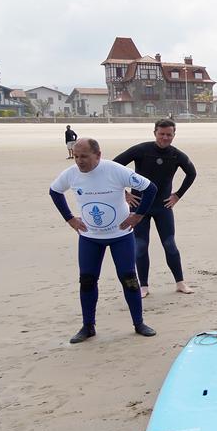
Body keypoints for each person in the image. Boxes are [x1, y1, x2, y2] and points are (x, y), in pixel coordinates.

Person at [49, 138, 159, 343]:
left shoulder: (115, 170)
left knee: (129, 279)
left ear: (98, 155)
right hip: (90, 238)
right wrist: (70, 219)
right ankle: (88, 327)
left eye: (84, 156)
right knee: (87, 281)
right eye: (76, 156)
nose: (79, 161)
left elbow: (150, 188)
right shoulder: (71, 174)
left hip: (120, 236)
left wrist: (138, 215)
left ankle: (139, 323)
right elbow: (54, 191)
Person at [114, 119, 197, 297]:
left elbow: (192, 173)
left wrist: (177, 195)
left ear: (174, 135)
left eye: (169, 134)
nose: (165, 138)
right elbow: (113, 168)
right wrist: (125, 194)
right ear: (155, 133)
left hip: (163, 206)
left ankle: (180, 283)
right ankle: (143, 286)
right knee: (141, 246)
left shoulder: (176, 155)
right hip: (139, 207)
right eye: (162, 134)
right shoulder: (141, 150)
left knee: (170, 244)